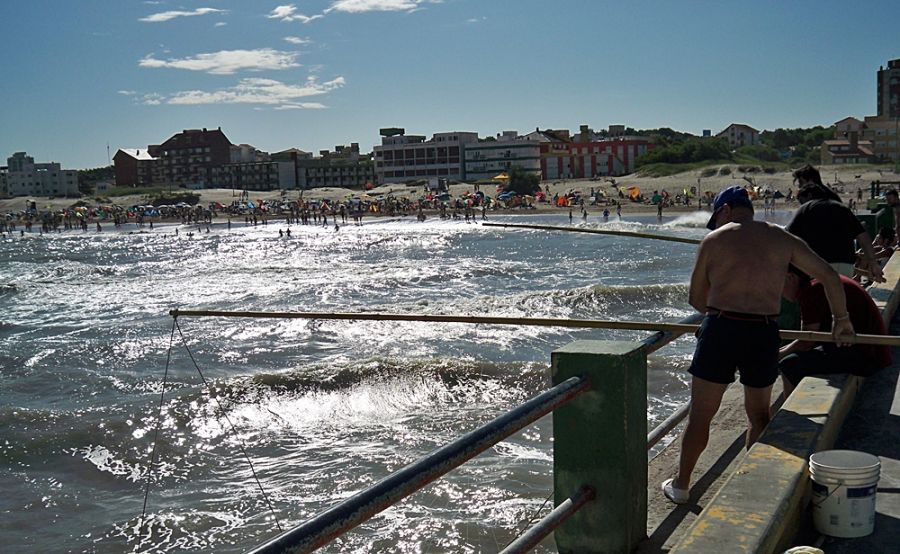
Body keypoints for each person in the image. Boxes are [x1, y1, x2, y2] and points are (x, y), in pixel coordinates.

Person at [662, 185, 854, 505]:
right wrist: (842, 320)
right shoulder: (782, 239)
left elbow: (696, 299)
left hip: (721, 329)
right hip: (763, 331)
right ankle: (754, 484)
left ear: (724, 211)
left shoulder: (714, 240)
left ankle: (681, 486)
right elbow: (829, 277)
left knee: (701, 415)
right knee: (759, 413)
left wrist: (719, 308)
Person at [779, 269, 891, 397]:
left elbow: (806, 343)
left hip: (866, 356)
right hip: (865, 350)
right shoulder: (820, 282)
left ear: (790, 277)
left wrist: (778, 355)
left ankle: (787, 414)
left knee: (788, 364)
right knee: (795, 358)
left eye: (777, 282)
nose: (777, 291)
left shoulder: (812, 290)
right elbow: (807, 338)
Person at [786, 165, 884, 282]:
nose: (800, 186)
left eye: (801, 182)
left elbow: (788, 236)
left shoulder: (808, 206)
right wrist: (872, 262)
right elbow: (861, 235)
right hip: (844, 259)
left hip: (820, 260)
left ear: (810, 181)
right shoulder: (835, 200)